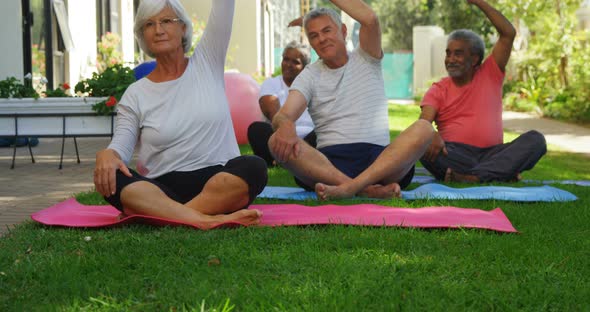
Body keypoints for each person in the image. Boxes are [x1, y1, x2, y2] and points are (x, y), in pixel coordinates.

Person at [93, 0, 267, 229]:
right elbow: (121, 149)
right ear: (142, 35)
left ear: (183, 27)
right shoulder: (135, 94)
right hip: (161, 189)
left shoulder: (207, 62)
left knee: (254, 167)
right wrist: (108, 154)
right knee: (112, 176)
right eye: (149, 24)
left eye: (166, 21)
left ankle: (165, 217)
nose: (158, 30)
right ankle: (206, 220)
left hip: (219, 182)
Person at [269, 0, 434, 200]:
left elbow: (370, 19)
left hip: (381, 163)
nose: (321, 39)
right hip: (330, 164)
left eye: (327, 30)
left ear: (344, 31)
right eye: (314, 35)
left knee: (424, 128)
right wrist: (285, 125)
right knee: (274, 141)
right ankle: (362, 189)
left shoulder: (366, 57)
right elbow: (283, 115)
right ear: (310, 43)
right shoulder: (309, 75)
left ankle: (350, 187)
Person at [419, 0, 546, 183]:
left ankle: (473, 177)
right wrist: (431, 134)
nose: (450, 59)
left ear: (475, 58)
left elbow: (508, 33)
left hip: (493, 154)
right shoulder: (438, 89)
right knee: (422, 145)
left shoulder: (490, 73)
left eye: (458, 53)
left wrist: (479, 3)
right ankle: (499, 173)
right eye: (448, 53)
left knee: (536, 140)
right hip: (454, 154)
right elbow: (422, 123)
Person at [247, 41, 316, 166]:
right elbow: (273, 114)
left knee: (321, 133)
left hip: (308, 140)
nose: (288, 65)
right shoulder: (271, 83)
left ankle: (287, 159)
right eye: (286, 59)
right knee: (257, 129)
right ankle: (291, 159)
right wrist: (288, 135)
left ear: (305, 67)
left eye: (295, 62)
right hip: (279, 136)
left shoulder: (313, 86)